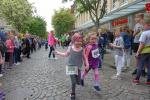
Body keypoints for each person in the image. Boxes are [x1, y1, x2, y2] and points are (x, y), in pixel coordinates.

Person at [55, 33, 84, 100]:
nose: (79, 43)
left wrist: (87, 64)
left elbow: (84, 57)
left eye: (80, 41)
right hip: (71, 67)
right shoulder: (70, 48)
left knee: (78, 82)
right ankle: (73, 93)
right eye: (77, 41)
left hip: (78, 67)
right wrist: (58, 53)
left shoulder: (82, 49)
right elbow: (65, 54)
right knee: (73, 82)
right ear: (73, 41)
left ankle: (80, 80)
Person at [133, 13, 150, 85]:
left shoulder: (144, 33)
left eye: (144, 25)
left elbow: (142, 44)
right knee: (149, 66)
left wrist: (137, 52)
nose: (143, 26)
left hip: (144, 51)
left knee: (140, 65)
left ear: (148, 25)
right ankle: (148, 80)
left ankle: (137, 79)